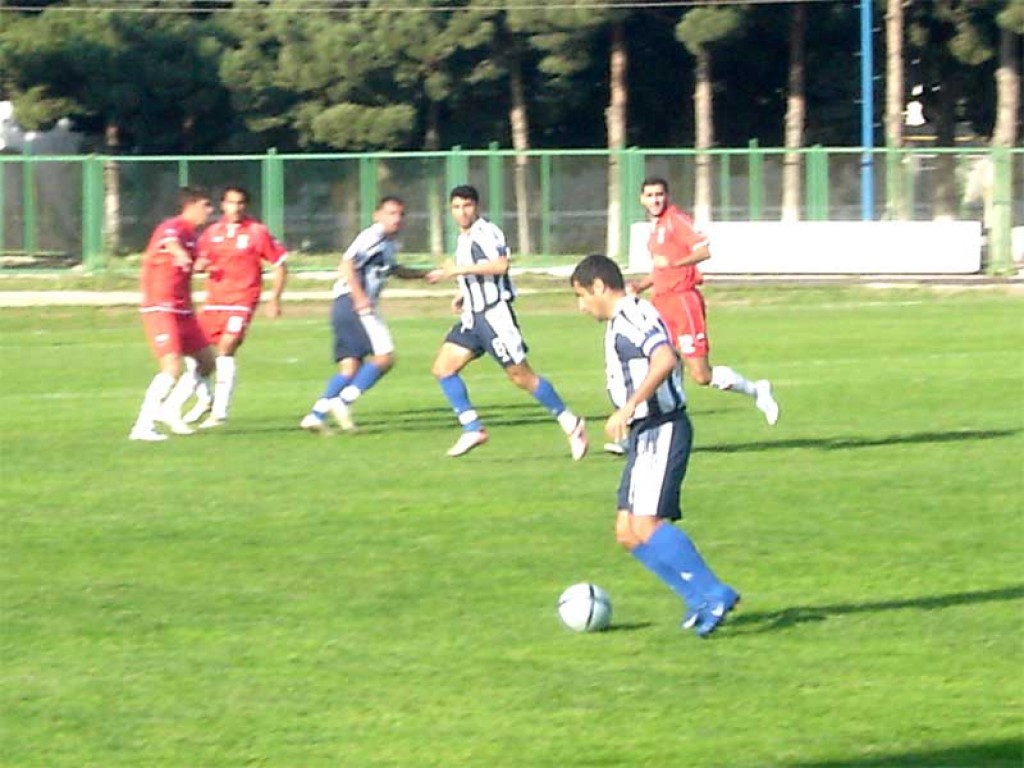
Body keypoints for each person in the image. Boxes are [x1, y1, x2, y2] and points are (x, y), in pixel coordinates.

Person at [570, 253, 739, 637]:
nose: (581, 307)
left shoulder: (632, 315)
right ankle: (697, 599)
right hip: (644, 433)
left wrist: (629, 406)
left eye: (581, 296)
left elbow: (663, 357)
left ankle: (715, 592)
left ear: (599, 287)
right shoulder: (622, 319)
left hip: (662, 427)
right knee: (627, 532)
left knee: (647, 523)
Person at [429, 184, 588, 459]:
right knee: (443, 368)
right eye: (456, 207)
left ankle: (571, 423)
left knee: (521, 376)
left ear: (477, 207)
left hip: (494, 317)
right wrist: (463, 294)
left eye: (467, 206)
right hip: (473, 317)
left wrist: (456, 270)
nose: (462, 212)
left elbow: (500, 265)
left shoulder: (486, 232)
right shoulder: (464, 238)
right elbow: (480, 275)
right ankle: (473, 428)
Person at [631, 177, 779, 427]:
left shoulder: (677, 220)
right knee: (656, 367)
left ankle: (756, 390)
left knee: (700, 374)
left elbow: (703, 251)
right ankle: (642, 431)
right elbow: (660, 270)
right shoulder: (656, 230)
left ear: (667, 196)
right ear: (642, 199)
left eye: (659, 195)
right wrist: (640, 286)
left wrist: (675, 264)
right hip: (661, 304)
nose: (655, 200)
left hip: (683, 303)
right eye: (650, 196)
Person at [299, 195, 436, 434]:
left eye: (400, 214)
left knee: (350, 368)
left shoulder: (388, 244)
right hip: (356, 304)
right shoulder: (372, 236)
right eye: (391, 213)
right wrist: (360, 297)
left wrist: (424, 275)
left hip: (346, 304)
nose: (397, 219)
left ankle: (315, 415)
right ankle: (343, 401)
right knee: (385, 357)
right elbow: (347, 264)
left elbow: (394, 269)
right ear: (377, 215)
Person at [173, 185, 289, 429]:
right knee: (196, 354)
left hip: (242, 301)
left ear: (246, 206)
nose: (235, 208)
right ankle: (205, 399)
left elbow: (280, 264)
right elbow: (200, 261)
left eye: (240, 203)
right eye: (230, 203)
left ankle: (219, 412)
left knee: (226, 347)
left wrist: (275, 298)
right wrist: (201, 266)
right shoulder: (212, 232)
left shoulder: (257, 232)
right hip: (214, 302)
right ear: (223, 205)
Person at [129, 186, 216, 442]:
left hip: (183, 309)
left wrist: (202, 264)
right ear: (191, 205)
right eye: (206, 205)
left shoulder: (193, 236)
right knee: (172, 367)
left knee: (206, 362)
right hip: (161, 307)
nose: (210, 210)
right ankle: (142, 426)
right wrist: (179, 253)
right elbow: (170, 242)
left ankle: (170, 409)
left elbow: (195, 262)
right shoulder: (173, 226)